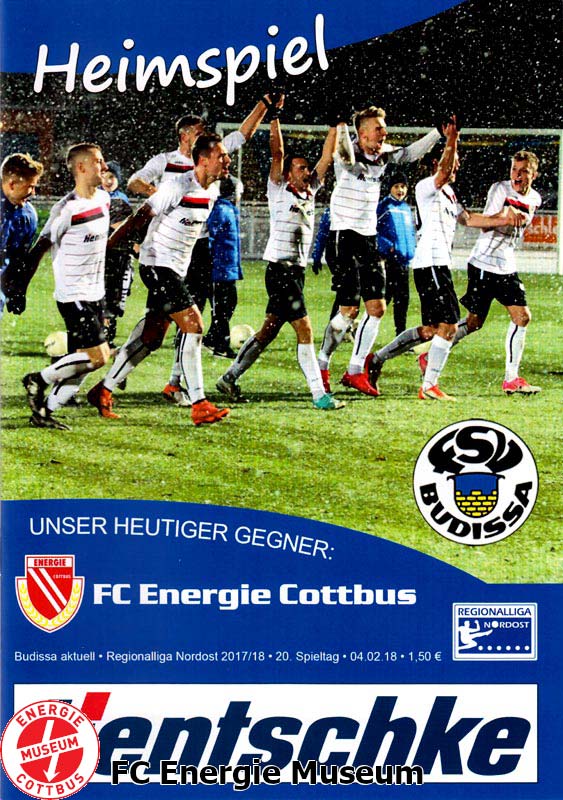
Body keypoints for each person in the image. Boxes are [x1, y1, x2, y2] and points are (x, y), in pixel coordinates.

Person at [366, 119, 526, 400]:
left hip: (436, 265)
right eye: (453, 161)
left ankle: (376, 359)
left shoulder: (451, 194)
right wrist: (452, 139)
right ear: (436, 164)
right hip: (431, 264)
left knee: (431, 330)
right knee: (450, 326)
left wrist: (504, 219)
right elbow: (442, 174)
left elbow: (469, 219)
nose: (457, 166)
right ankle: (429, 385)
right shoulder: (426, 187)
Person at [128, 97, 272, 406]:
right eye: (197, 130)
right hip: (164, 249)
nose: (204, 134)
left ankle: (175, 382)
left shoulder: (212, 157)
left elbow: (243, 134)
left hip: (198, 247)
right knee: (159, 319)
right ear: (184, 136)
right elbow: (134, 181)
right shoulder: (165, 162)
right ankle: (122, 367)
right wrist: (160, 194)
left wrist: (263, 105)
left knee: (191, 316)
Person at [86, 133, 231, 427]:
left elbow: (243, 135)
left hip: (174, 269)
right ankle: (199, 403)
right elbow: (141, 216)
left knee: (151, 337)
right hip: (157, 265)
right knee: (194, 325)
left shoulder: (213, 189)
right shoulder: (177, 185)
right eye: (222, 156)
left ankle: (103, 390)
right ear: (203, 160)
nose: (228, 160)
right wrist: (108, 248)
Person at [216, 111, 344, 410]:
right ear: (288, 174)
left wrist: (334, 126)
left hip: (295, 272)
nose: (307, 171)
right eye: (301, 168)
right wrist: (273, 118)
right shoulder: (278, 190)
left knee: (268, 331)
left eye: (307, 167)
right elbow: (278, 153)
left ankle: (229, 377)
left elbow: (327, 156)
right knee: (305, 330)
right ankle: (319, 394)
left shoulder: (311, 192)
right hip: (280, 271)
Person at [317, 106, 443, 397]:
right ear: (362, 134)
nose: (384, 133)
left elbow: (410, 153)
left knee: (377, 309)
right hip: (343, 236)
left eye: (384, 127)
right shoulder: (347, 152)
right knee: (348, 312)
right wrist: (341, 125)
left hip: (368, 238)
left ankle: (355, 370)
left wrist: (438, 132)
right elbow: (344, 153)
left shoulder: (384, 154)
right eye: (378, 128)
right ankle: (322, 362)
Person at [22, 143, 112, 429]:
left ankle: (45, 412)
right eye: (98, 161)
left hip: (96, 293)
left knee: (84, 361)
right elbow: (39, 249)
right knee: (99, 356)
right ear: (81, 167)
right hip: (73, 294)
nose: (104, 166)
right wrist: (19, 289)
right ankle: (38, 379)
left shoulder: (104, 199)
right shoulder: (67, 208)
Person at [447, 151, 542, 394]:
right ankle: (436, 348)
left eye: (523, 171)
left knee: (522, 317)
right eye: (514, 170)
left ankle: (512, 379)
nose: (516, 176)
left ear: (534, 175)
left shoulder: (535, 199)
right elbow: (485, 224)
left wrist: (514, 217)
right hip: (484, 263)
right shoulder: (500, 189)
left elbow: (520, 219)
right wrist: (505, 218)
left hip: (506, 265)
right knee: (474, 322)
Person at [202, 176, 244, 358]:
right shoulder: (222, 210)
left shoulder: (228, 209)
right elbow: (210, 237)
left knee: (228, 304)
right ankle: (221, 345)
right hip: (220, 269)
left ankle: (212, 338)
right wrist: (211, 262)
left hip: (226, 269)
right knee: (222, 307)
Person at [0, 153, 44, 317]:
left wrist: (18, 289)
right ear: (12, 184)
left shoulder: (27, 215)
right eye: (30, 187)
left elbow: (19, 257)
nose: (33, 193)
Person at [377, 172, 416, 335]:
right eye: (396, 186)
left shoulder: (406, 208)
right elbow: (373, 230)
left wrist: (412, 248)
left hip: (404, 262)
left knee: (403, 300)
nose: (400, 190)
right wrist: (388, 247)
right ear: (390, 188)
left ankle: (400, 334)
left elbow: (410, 233)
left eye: (403, 186)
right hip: (390, 261)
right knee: (383, 300)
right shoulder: (384, 206)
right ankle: (365, 327)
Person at [100, 161, 134, 349]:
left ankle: (108, 335)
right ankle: (99, 335)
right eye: (104, 177)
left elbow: (125, 226)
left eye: (112, 177)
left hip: (119, 255)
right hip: (101, 254)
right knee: (102, 294)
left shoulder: (122, 199)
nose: (108, 181)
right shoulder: (96, 196)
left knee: (115, 295)